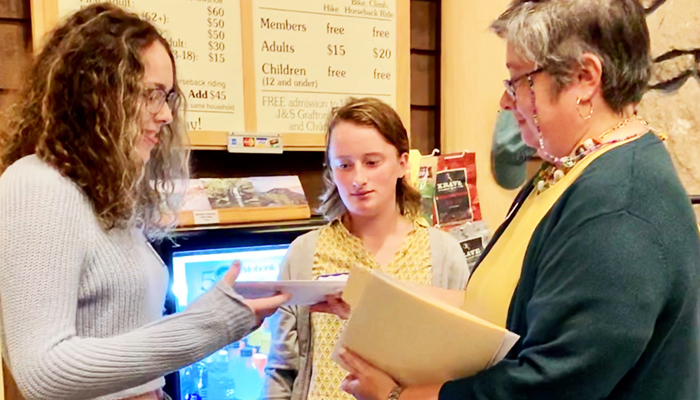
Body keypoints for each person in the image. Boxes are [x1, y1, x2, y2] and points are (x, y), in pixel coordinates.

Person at [335, 1, 700, 400]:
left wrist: (397, 396)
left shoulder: (619, 206)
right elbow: (504, 304)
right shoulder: (570, 167)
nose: (505, 102)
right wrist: (372, 298)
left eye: (517, 80)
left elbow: (551, 384)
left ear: (584, 78)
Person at [0, 4, 287, 400]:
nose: (167, 114)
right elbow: (42, 371)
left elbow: (127, 352)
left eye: (168, 96)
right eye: (152, 94)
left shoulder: (104, 196)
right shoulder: (37, 185)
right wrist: (208, 325)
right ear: (96, 92)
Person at [262, 97, 471, 400]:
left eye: (372, 162)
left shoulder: (443, 255)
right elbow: (282, 368)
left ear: (402, 164)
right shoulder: (305, 253)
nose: (358, 179)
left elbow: (458, 363)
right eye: (344, 165)